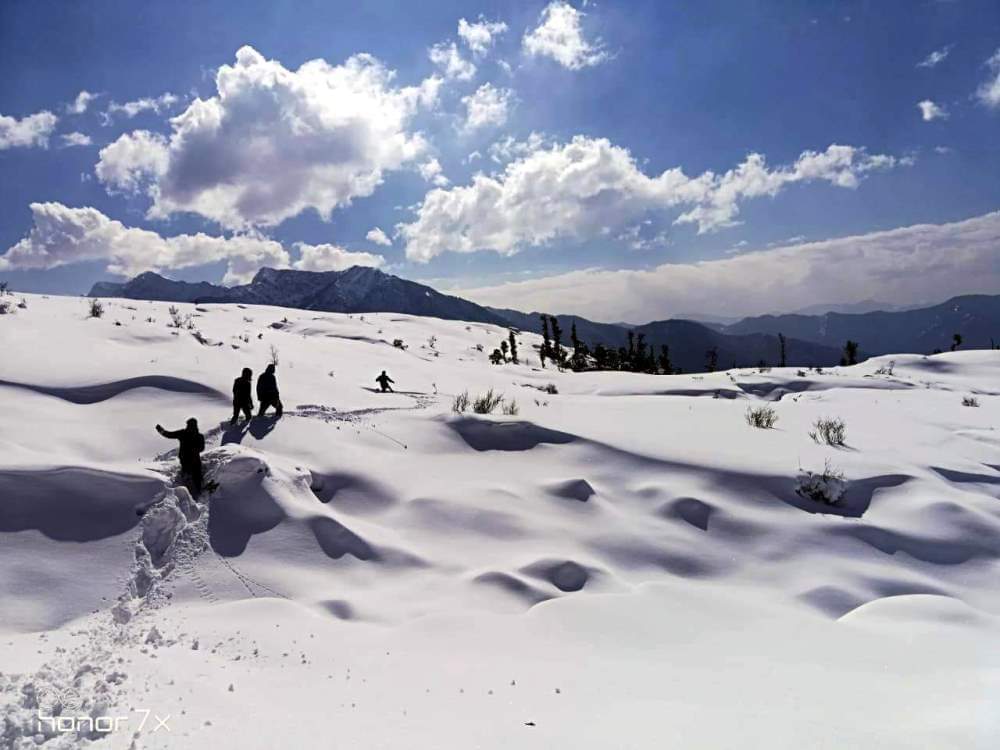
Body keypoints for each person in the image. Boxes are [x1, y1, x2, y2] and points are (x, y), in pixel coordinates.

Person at [156, 418, 205, 496]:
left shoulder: (183, 433)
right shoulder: (199, 436)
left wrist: (161, 430)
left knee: (186, 478)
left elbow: (169, 434)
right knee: (197, 478)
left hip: (185, 460)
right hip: (195, 461)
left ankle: (186, 495)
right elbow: (202, 448)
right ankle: (198, 494)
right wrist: (194, 449)